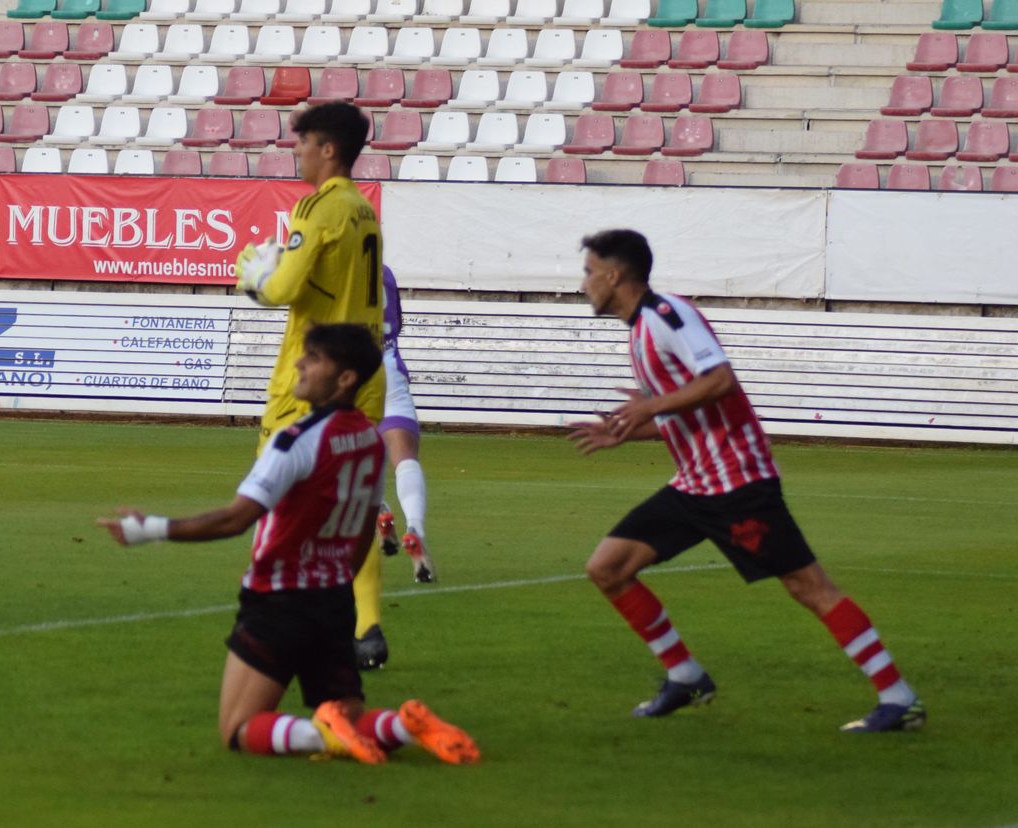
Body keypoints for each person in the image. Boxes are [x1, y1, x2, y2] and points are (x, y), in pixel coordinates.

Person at [567, 229, 925, 733]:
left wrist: (648, 405)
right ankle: (685, 675)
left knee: (809, 587)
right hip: (695, 484)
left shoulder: (667, 315)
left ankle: (898, 697)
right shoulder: (638, 332)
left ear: (613, 274)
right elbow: (685, 407)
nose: (582, 283)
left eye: (587, 272)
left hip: (738, 483)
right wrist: (627, 430)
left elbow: (719, 381)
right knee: (607, 567)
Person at [98, 323, 479, 766]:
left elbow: (234, 519)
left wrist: (149, 529)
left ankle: (320, 737)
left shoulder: (295, 441)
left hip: (277, 602)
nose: (298, 362)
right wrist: (337, 588)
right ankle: (403, 726)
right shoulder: (371, 444)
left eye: (313, 358)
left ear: (345, 379)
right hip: (333, 599)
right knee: (350, 715)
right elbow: (360, 536)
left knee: (237, 728)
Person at [233, 102, 391, 669]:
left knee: (276, 494)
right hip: (365, 375)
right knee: (353, 501)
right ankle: (366, 625)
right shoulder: (365, 211)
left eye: (302, 144)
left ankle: (268, 617)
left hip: (314, 376)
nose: (296, 153)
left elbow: (282, 291)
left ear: (328, 149)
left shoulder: (318, 208)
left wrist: (252, 279)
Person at [374, 265, 434, 585]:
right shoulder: (384, 271)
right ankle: (415, 527)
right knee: (405, 459)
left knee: (354, 459)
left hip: (350, 371)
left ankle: (378, 507)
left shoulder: (333, 269)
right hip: (389, 366)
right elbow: (398, 323)